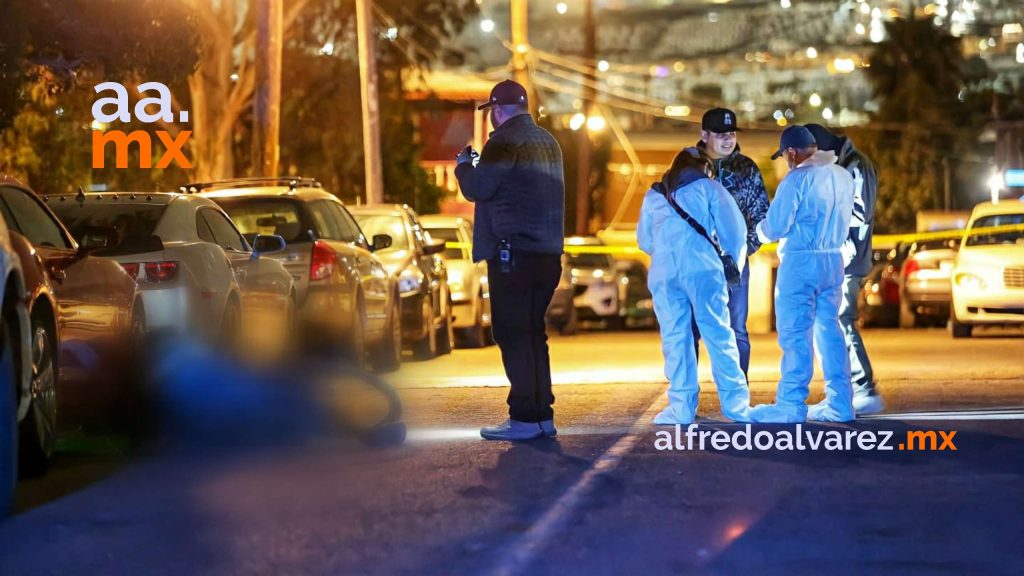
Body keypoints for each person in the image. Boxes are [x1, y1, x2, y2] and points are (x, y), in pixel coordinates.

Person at [454, 80, 565, 441]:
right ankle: (541, 415)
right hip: (547, 254)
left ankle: (523, 418)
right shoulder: (549, 142)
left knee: (512, 333)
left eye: (492, 113)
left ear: (498, 111)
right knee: (533, 333)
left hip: (512, 254)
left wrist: (464, 166)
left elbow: (478, 188)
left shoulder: (503, 142)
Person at [637, 147, 751, 425]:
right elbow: (735, 232)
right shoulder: (710, 188)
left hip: (664, 271)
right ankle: (736, 406)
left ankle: (681, 408)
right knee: (718, 335)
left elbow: (644, 241)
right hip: (702, 269)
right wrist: (733, 265)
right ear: (704, 167)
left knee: (676, 338)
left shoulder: (655, 194)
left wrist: (666, 252)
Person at [750, 126, 855, 423]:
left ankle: (791, 404)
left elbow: (775, 227)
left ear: (792, 153)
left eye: (784, 156)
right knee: (829, 331)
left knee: (796, 334)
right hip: (833, 259)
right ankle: (840, 403)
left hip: (800, 261)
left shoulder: (796, 180)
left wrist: (757, 231)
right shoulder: (842, 176)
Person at [805, 124, 884, 416]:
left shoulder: (856, 166)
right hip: (841, 256)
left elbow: (860, 213)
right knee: (835, 322)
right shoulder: (848, 162)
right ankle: (847, 391)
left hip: (846, 258)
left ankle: (863, 388)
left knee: (842, 322)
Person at [693, 108, 771, 378]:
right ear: (704, 134)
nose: (727, 139)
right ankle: (685, 398)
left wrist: (742, 250)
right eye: (720, 134)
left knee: (736, 328)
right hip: (697, 262)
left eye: (731, 134)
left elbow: (762, 215)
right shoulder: (689, 166)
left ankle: (738, 396)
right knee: (690, 328)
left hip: (735, 265)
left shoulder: (746, 169)